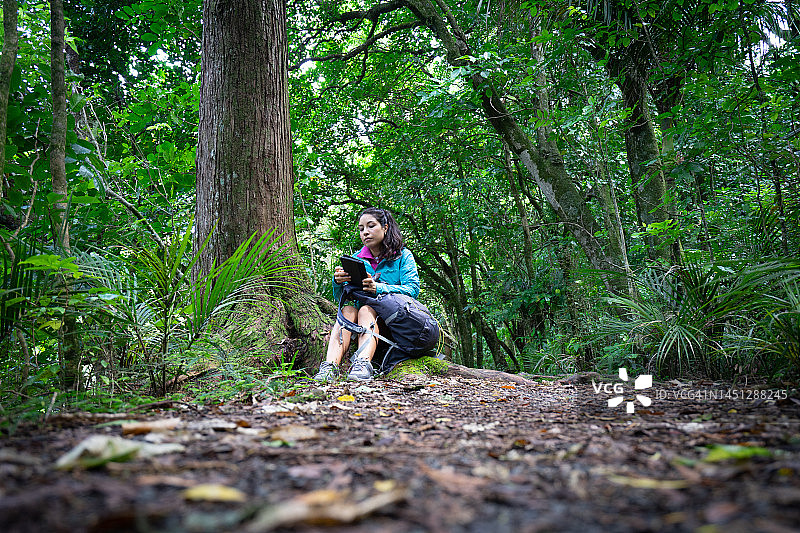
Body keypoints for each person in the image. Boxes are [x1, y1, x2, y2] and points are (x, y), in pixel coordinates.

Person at [314, 207, 420, 382]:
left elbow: (412, 290)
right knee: (348, 309)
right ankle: (329, 367)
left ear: (385, 227)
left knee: (366, 308)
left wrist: (378, 288)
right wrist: (338, 282)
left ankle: (363, 363)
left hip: (393, 321)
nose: (365, 232)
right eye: (361, 229)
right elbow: (341, 297)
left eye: (371, 226)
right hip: (359, 323)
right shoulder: (356, 259)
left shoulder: (402, 256)